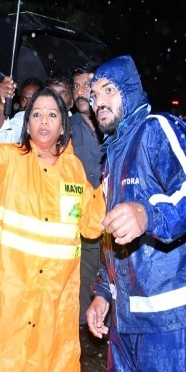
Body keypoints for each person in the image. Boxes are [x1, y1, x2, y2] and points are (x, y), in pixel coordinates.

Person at [84, 55, 186, 372]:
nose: (99, 100)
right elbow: (113, 236)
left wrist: (148, 213)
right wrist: (103, 293)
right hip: (125, 315)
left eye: (109, 91)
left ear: (130, 92)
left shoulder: (157, 129)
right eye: (93, 94)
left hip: (166, 316)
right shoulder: (111, 156)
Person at [0, 88, 105, 372]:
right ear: (27, 123)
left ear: (63, 125)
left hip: (56, 289)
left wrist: (109, 187)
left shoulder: (74, 169)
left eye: (52, 114)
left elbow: (90, 225)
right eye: (36, 114)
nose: (43, 121)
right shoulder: (11, 159)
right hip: (15, 283)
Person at [70, 62, 104, 328]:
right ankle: (82, 330)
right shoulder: (66, 127)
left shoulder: (114, 125)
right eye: (76, 86)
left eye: (87, 85)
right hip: (81, 220)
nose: (81, 91)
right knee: (85, 279)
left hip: (115, 219)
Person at [0, 76, 43, 143]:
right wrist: (2, 103)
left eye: (33, 99)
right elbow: (0, 137)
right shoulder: (22, 117)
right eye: (24, 99)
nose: (27, 105)